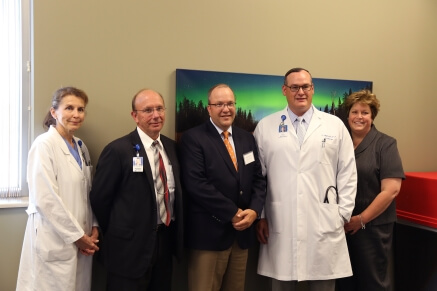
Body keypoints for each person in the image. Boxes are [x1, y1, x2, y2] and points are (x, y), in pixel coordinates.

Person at [253, 68, 357, 291]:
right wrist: (261, 215)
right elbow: (258, 177)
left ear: (313, 89)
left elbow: (348, 173)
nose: (301, 92)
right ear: (284, 90)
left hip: (325, 222)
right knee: (282, 283)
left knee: (323, 284)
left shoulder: (335, 126)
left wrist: (342, 214)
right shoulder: (266, 127)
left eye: (306, 86)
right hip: (279, 221)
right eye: (294, 87)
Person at [90, 89, 183, 291]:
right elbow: (99, 199)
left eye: (159, 108)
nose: (156, 115)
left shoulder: (172, 148)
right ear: (135, 116)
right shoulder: (118, 150)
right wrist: (120, 229)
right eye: (148, 110)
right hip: (127, 250)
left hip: (164, 242)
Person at [179, 84, 266, 291]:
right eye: (219, 104)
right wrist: (233, 212)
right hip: (208, 235)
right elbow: (196, 184)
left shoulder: (246, 138)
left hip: (242, 233)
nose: (225, 109)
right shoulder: (193, 138)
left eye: (229, 103)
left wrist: (254, 211)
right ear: (209, 109)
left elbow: (258, 179)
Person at [16, 87, 99, 291]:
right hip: (54, 239)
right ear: (54, 112)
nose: (76, 114)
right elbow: (46, 200)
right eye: (69, 108)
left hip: (83, 237)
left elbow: (88, 192)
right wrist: (78, 237)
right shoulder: (43, 145)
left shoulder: (81, 146)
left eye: (81, 109)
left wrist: (94, 227)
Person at [337, 90, 405, 291]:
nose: (359, 117)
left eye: (365, 112)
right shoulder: (340, 143)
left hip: (372, 228)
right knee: (344, 282)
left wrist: (361, 219)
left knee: (372, 282)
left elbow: (391, 190)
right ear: (347, 115)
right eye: (355, 112)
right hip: (341, 226)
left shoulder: (385, 144)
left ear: (372, 116)